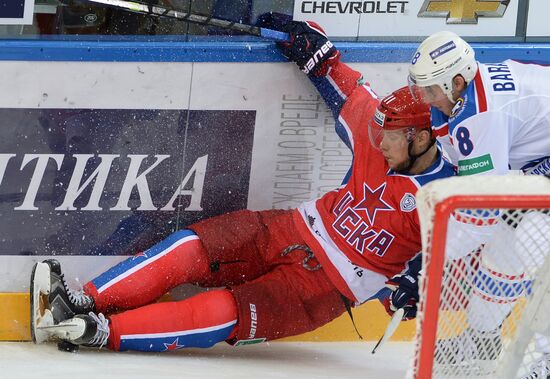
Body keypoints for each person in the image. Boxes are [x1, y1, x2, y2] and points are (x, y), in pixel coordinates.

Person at [31, 21, 454, 352]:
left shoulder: (447, 196)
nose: (378, 143)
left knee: (222, 311)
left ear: (421, 137)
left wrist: (411, 289)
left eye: (391, 139)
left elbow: (453, 259)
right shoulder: (379, 124)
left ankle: (99, 331)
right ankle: (83, 300)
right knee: (191, 246)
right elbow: (337, 79)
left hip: (326, 288)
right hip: (294, 227)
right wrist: (313, 47)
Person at [406, 30, 550, 375]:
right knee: (506, 246)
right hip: (540, 163)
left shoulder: (479, 114)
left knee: (536, 245)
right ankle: (482, 339)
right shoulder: (459, 99)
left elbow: (479, 216)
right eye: (419, 87)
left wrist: (424, 264)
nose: (424, 97)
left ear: (457, 81)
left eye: (429, 89)